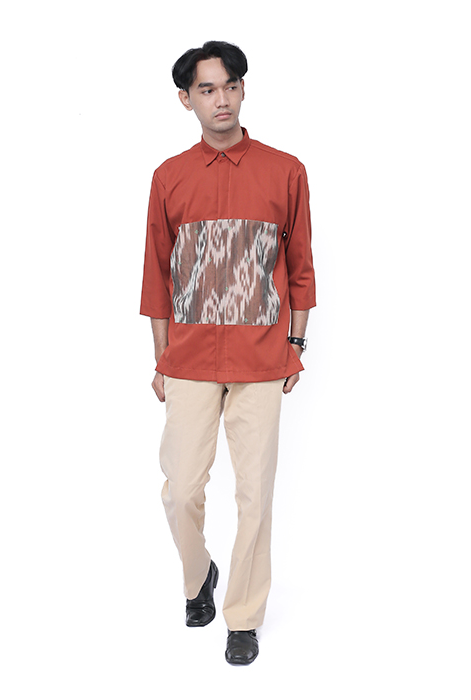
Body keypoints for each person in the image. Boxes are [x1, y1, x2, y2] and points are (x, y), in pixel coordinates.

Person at [140, 40, 316, 666]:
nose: (222, 99)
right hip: (188, 359)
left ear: (243, 90)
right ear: (186, 99)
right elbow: (156, 275)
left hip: (261, 359)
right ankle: (200, 576)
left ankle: (243, 617)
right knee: (180, 489)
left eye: (231, 85)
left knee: (254, 494)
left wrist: (296, 343)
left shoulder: (285, 171)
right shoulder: (169, 177)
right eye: (207, 89)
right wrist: (160, 359)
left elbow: (300, 266)